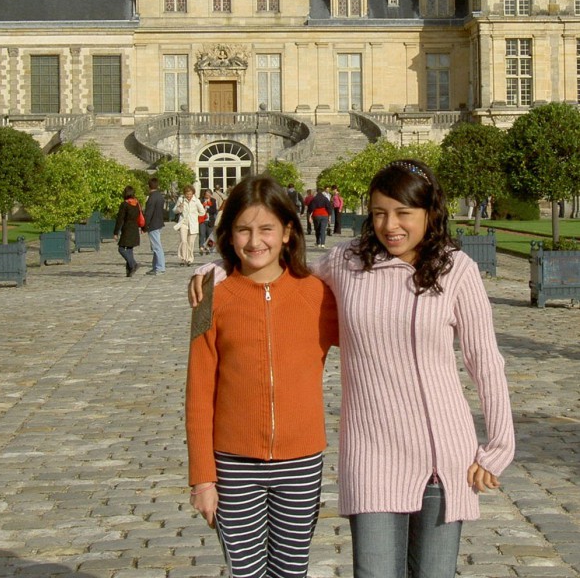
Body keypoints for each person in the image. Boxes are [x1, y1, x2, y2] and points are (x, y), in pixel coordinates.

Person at [190, 160, 515, 578]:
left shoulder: (458, 271)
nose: (390, 225)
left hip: (443, 454)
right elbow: (279, 273)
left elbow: (486, 362)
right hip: (374, 453)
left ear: (429, 213)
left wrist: (500, 445)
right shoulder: (346, 262)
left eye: (403, 213)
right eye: (379, 213)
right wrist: (214, 270)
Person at [185, 175, 338, 578]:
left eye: (266, 229)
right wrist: (203, 478)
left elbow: (375, 337)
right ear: (229, 234)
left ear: (288, 232)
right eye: (244, 230)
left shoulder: (318, 294)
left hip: (301, 461)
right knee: (246, 573)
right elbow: (199, 391)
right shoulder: (212, 296)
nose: (256, 241)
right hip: (234, 465)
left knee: (291, 571)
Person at [113, 185, 142, 277]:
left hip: (127, 229)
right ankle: (129, 270)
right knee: (129, 249)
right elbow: (140, 215)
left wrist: (115, 232)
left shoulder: (124, 204)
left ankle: (133, 264)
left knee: (121, 249)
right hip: (134, 228)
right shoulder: (136, 203)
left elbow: (120, 219)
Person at [174, 185, 206, 266]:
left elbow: (202, 212)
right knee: (183, 241)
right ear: (184, 194)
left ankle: (189, 259)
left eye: (190, 194)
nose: (188, 196)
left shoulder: (196, 201)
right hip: (183, 223)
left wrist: (195, 216)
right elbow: (174, 210)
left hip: (193, 224)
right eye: (187, 194)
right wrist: (179, 208)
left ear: (193, 194)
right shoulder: (181, 200)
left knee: (190, 243)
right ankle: (182, 258)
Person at [143, 176, 166, 275]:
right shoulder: (160, 196)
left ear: (149, 186)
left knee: (157, 246)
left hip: (153, 223)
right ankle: (155, 266)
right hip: (159, 222)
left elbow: (148, 213)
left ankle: (160, 267)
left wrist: (144, 224)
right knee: (155, 246)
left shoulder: (152, 197)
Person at [198, 189, 217, 255]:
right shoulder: (200, 200)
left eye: (209, 194)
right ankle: (201, 247)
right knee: (202, 234)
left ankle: (208, 248)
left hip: (210, 220)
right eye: (206, 194)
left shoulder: (213, 200)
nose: (207, 195)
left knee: (209, 235)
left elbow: (214, 210)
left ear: (211, 194)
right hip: (202, 220)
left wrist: (207, 208)